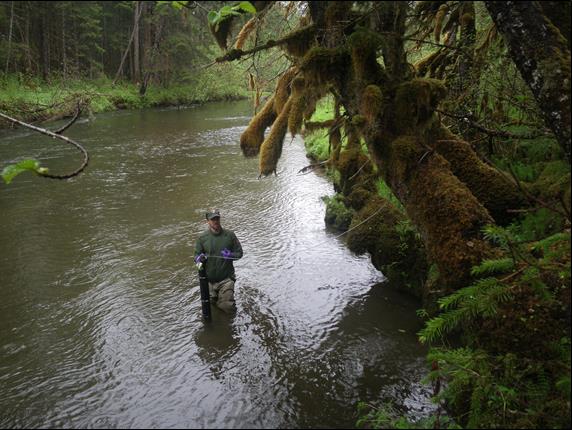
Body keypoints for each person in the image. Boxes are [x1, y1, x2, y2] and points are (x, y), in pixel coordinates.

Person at [194, 210, 243, 313]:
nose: (215, 221)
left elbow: (239, 254)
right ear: (207, 221)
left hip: (226, 279)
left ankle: (230, 325)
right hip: (208, 281)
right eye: (212, 219)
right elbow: (196, 260)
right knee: (211, 307)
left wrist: (230, 255)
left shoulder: (230, 235)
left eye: (217, 218)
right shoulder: (202, 238)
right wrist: (199, 261)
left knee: (227, 307)